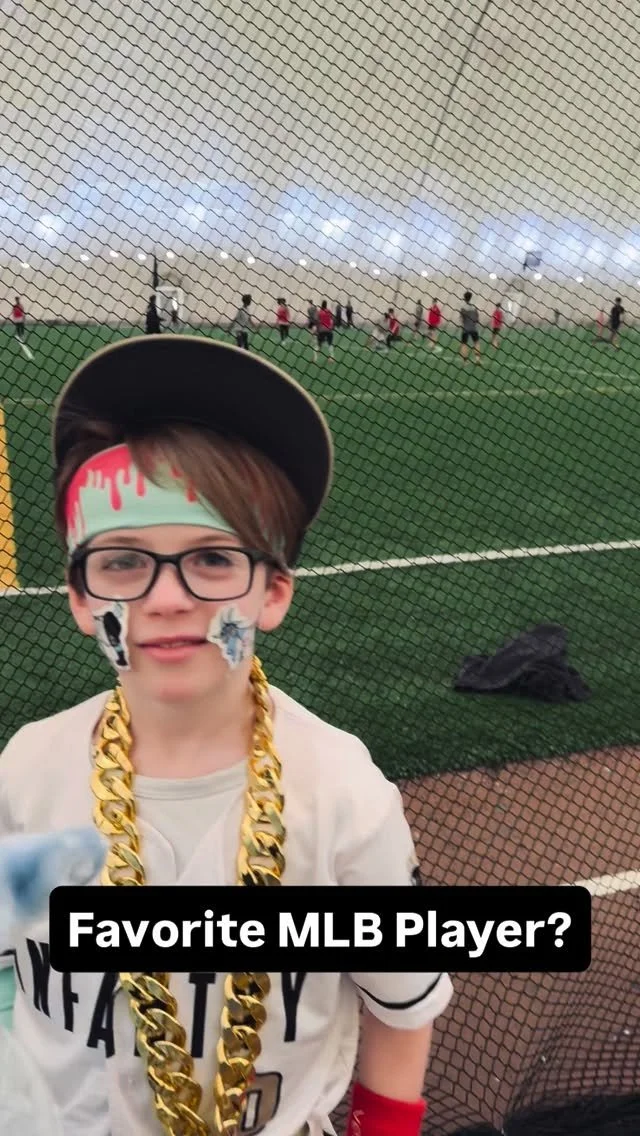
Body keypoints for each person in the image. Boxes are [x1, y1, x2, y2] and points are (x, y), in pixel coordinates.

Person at [0, 334, 452, 1136]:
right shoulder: (28, 770)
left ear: (272, 592)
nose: (167, 599)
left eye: (212, 559)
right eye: (123, 562)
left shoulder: (343, 793)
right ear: (79, 599)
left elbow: (401, 1007)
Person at [460, 290, 481, 364]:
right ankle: (477, 359)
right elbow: (477, 319)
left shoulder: (463, 308)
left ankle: (465, 361)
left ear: (464, 298)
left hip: (465, 328)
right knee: (476, 343)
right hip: (473, 328)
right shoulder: (474, 307)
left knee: (464, 344)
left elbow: (462, 319)